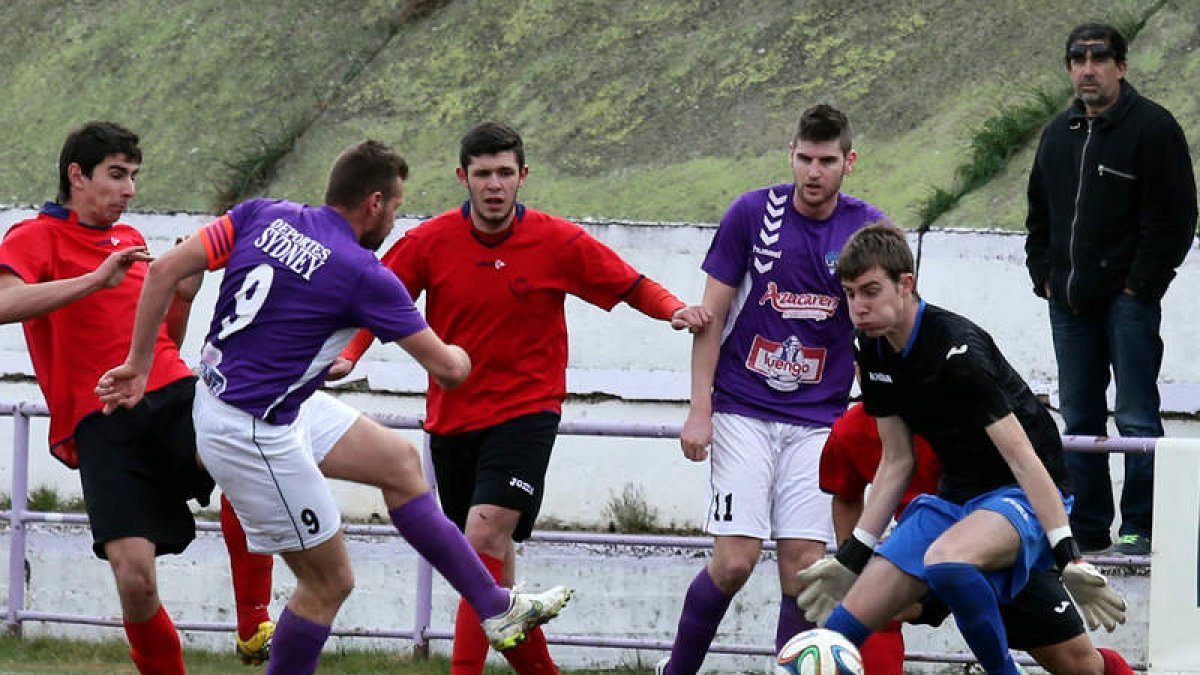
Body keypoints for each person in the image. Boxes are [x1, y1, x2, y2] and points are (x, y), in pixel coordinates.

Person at [97, 139, 572, 675]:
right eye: (395, 207)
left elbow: (163, 271)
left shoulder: (261, 213)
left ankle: (496, 607)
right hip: (252, 432)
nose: (394, 220)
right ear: (374, 203)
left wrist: (137, 365)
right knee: (328, 583)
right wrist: (465, 350)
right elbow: (449, 370)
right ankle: (493, 610)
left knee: (399, 462)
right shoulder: (363, 273)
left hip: (241, 400)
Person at [329, 122, 709, 675]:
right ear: (463, 177)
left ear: (522, 176)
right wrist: (349, 355)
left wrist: (674, 308)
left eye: (504, 173)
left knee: (480, 538)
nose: (494, 185)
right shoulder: (428, 242)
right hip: (453, 421)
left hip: (527, 414)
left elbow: (629, 284)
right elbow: (378, 301)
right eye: (482, 173)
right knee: (489, 576)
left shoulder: (558, 241)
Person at [0, 121, 275, 673]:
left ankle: (253, 622)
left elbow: (160, 340)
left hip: (170, 392)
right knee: (135, 581)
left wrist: (183, 298)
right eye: (117, 175)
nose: (129, 190)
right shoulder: (33, 237)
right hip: (100, 419)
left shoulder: (129, 239)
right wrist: (94, 280)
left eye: (133, 177)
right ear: (77, 175)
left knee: (248, 464)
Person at [797, 224, 1127, 675]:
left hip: (1021, 496)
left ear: (906, 283)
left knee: (1072, 660)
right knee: (835, 634)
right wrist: (852, 557)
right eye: (850, 294)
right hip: (955, 502)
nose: (859, 306)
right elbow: (897, 461)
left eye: (871, 291)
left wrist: (1069, 555)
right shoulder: (870, 348)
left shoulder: (958, 351)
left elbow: (1023, 459)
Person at [657, 104, 890, 675]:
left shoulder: (868, 230)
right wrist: (699, 409)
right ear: (790, 155)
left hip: (820, 420)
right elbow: (710, 317)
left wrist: (884, 419)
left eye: (827, 161)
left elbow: (883, 328)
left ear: (849, 162)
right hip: (743, 409)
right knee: (734, 562)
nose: (814, 172)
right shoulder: (752, 214)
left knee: (805, 570)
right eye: (804, 159)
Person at [1024, 23, 1198, 556]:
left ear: (1121, 67)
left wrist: (1138, 288)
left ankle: (1141, 526)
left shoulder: (1153, 128)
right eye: (1078, 59)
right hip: (1068, 303)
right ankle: (1090, 526)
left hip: (1129, 305)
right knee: (1078, 417)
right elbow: (1038, 215)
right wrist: (1044, 276)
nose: (1088, 69)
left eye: (1099, 59)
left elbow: (1176, 219)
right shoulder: (1058, 134)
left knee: (1136, 416)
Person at [820, 403, 1134, 675]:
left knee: (1077, 664)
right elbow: (846, 495)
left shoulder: (963, 406)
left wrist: (1067, 554)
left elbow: (1028, 467)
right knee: (874, 609)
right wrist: (852, 564)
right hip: (922, 551)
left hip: (998, 542)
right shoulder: (851, 429)